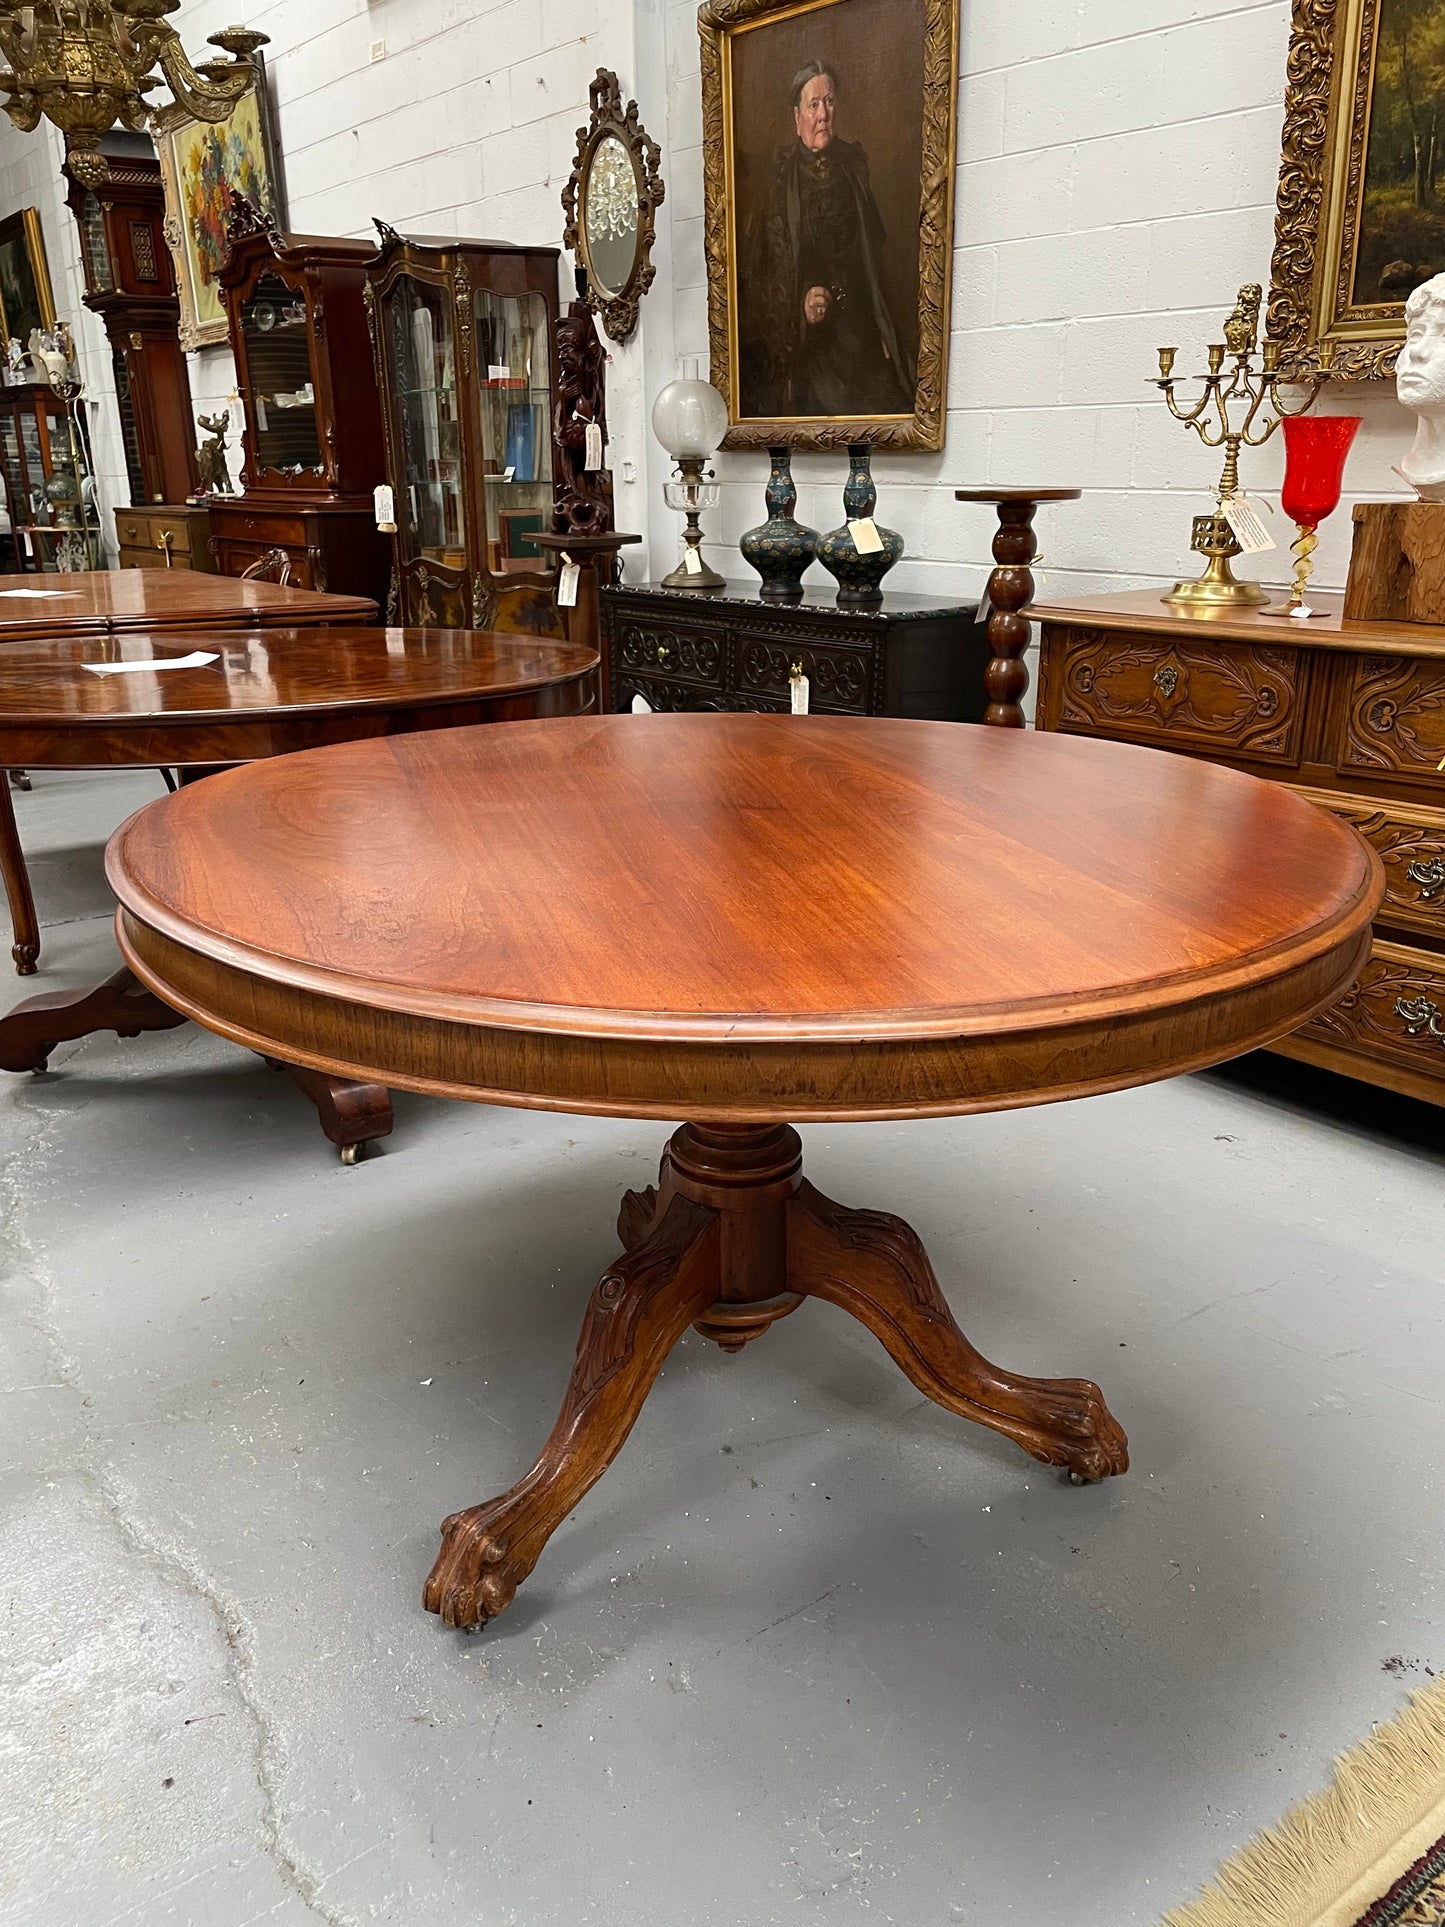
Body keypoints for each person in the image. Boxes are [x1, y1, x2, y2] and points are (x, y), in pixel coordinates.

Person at [738, 58, 914, 419]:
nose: (823, 115)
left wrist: (883, 324)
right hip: (809, 346)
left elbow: (874, 256)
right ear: (797, 115)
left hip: (860, 331)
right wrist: (799, 308)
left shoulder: (853, 168)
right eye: (813, 104)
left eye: (829, 101)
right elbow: (761, 278)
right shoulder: (779, 182)